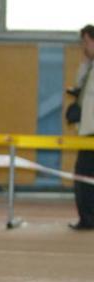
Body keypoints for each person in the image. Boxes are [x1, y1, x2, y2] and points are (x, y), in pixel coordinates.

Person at [70, 24, 94, 230]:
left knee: (83, 176)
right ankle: (87, 217)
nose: (83, 46)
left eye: (85, 42)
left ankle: (88, 218)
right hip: (87, 131)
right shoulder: (90, 66)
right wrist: (86, 61)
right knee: (83, 175)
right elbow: (79, 83)